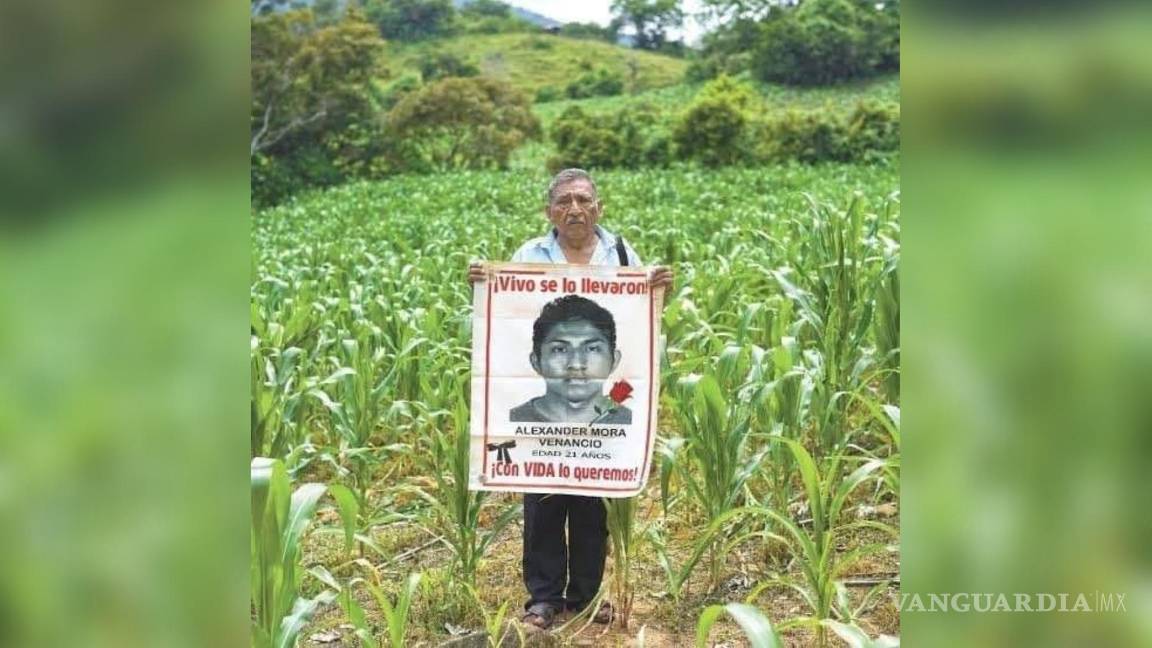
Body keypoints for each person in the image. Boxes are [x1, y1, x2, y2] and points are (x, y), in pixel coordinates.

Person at [468, 168, 673, 632]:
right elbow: (507, 317)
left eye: (583, 200)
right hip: (541, 417)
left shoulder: (621, 254)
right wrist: (481, 284)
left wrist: (663, 291)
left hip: (600, 413)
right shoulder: (528, 255)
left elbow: (641, 320)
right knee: (542, 502)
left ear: (599, 208)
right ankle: (543, 599)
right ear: (549, 212)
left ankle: (585, 596)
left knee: (591, 505)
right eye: (564, 201)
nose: (574, 209)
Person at [509, 294, 632, 425]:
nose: (576, 364)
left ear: (614, 360)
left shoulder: (636, 423)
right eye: (559, 349)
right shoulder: (508, 421)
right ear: (536, 362)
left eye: (592, 349)